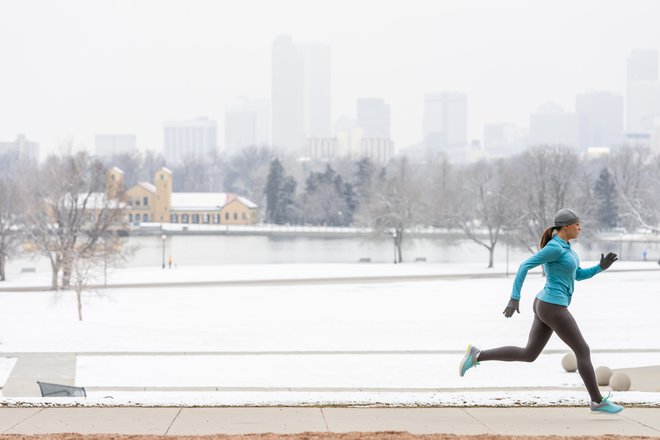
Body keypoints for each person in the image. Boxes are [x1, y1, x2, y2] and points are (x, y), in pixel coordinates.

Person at [459, 208, 623, 414]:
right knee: (583, 350)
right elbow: (524, 266)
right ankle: (597, 401)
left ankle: (477, 355)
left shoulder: (568, 248)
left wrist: (600, 268)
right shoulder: (555, 248)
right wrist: (514, 297)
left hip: (546, 304)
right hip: (552, 306)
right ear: (565, 226)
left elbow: (578, 275)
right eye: (577, 224)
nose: (580, 227)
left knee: (529, 354)